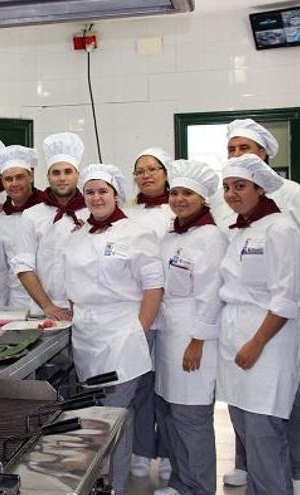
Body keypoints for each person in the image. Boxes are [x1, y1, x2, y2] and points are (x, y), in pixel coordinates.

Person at [221, 119, 300, 495]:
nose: (231, 193)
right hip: (238, 338)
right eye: (227, 186)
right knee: (249, 429)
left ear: (260, 185)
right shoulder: (242, 228)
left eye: (240, 186)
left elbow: (284, 298)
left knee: (265, 433)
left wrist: (257, 342)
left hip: (267, 341)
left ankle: (296, 479)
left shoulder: (282, 227)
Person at [62, 163, 163, 495]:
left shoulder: (136, 233)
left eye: (102, 191)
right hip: (87, 335)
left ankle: (113, 485)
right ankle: (103, 481)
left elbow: (153, 288)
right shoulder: (76, 236)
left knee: (113, 413)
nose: (95, 197)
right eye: (90, 191)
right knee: (102, 412)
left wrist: (140, 331)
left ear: (116, 194)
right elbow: (74, 289)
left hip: (123, 333)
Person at [153, 160, 227, 495]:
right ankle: (180, 482)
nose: (179, 199)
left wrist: (197, 340)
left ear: (203, 198)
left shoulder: (211, 237)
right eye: (176, 192)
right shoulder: (171, 235)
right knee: (170, 413)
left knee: (192, 418)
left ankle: (199, 487)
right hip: (169, 336)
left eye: (188, 193)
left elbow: (211, 294)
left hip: (194, 339)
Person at [127, 147, 175, 480]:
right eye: (139, 170)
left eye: (152, 169)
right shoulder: (127, 213)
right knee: (142, 385)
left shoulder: (180, 208)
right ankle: (141, 450)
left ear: (165, 172)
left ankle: (170, 452)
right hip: (140, 310)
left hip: (176, 314)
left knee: (171, 389)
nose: (145, 175)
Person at [13, 132, 86, 319]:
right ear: (48, 176)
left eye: (68, 172)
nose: (62, 178)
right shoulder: (31, 215)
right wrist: (48, 307)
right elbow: (23, 267)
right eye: (56, 172)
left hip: (85, 311)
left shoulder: (92, 213)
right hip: (43, 311)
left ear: (78, 174)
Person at [0, 145, 45, 307]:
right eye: (8, 179)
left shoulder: (51, 212)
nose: (14, 183)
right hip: (18, 301)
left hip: (52, 298)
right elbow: (0, 271)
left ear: (31, 176)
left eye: (19, 177)